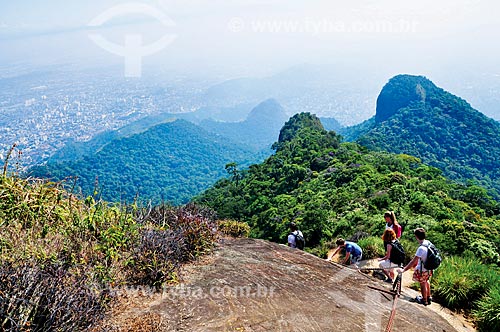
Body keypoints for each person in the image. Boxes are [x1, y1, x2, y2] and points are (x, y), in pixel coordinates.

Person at [399, 228, 433, 306]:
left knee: (422, 283)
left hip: (422, 269)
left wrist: (404, 270)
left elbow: (413, 261)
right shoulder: (428, 243)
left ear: (416, 237)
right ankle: (429, 297)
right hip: (429, 268)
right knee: (427, 281)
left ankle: (424, 300)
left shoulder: (421, 248)